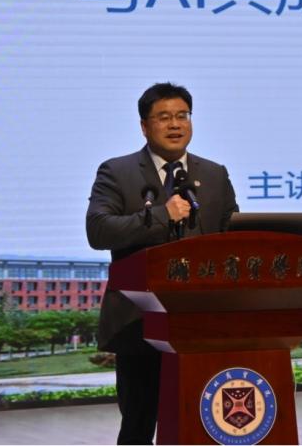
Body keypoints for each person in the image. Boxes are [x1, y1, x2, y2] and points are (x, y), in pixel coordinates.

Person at [86, 82, 238, 444]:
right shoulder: (117, 172)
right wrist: (160, 216)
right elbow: (98, 230)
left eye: (182, 115)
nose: (175, 124)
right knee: (139, 425)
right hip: (141, 322)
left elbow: (231, 236)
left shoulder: (214, 174)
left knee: (207, 422)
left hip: (202, 321)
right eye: (164, 117)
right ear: (144, 126)